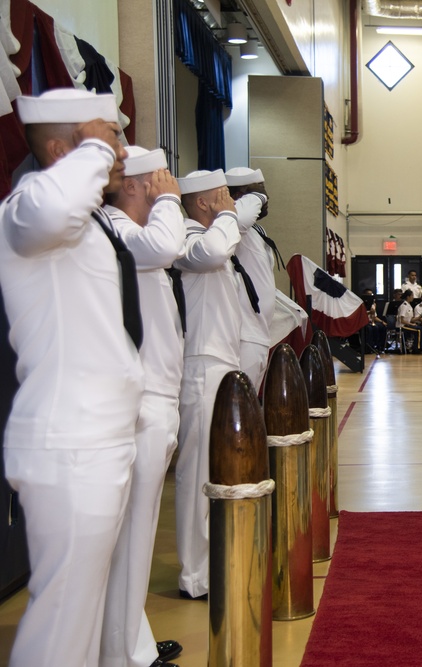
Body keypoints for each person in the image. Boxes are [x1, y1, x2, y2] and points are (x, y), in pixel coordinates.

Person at [0, 89, 144, 667]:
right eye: (112, 139)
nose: (121, 152)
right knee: (61, 624)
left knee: (80, 619)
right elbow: (52, 211)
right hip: (70, 441)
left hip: (96, 439)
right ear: (65, 148)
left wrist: (94, 144)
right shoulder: (30, 203)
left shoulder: (85, 222)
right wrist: (90, 149)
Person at [101, 147, 187, 666]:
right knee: (131, 536)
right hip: (140, 400)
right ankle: (127, 655)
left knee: (136, 535)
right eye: (159, 177)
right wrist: (172, 204)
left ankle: (131, 639)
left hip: (156, 395)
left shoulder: (125, 233)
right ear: (135, 185)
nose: (166, 183)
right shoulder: (119, 230)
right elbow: (163, 245)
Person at [174, 169, 241, 600]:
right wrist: (229, 216)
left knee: (214, 469)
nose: (231, 202)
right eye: (223, 196)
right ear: (203, 203)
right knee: (196, 470)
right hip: (199, 363)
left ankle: (210, 562)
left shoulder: (208, 235)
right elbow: (215, 251)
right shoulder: (186, 237)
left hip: (219, 359)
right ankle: (195, 575)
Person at [226, 167, 273, 391]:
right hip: (245, 336)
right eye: (259, 194)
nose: (266, 200)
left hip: (260, 333)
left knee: (249, 408)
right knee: (241, 408)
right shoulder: (231, 226)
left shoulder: (255, 230)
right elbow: (240, 217)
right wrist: (257, 195)